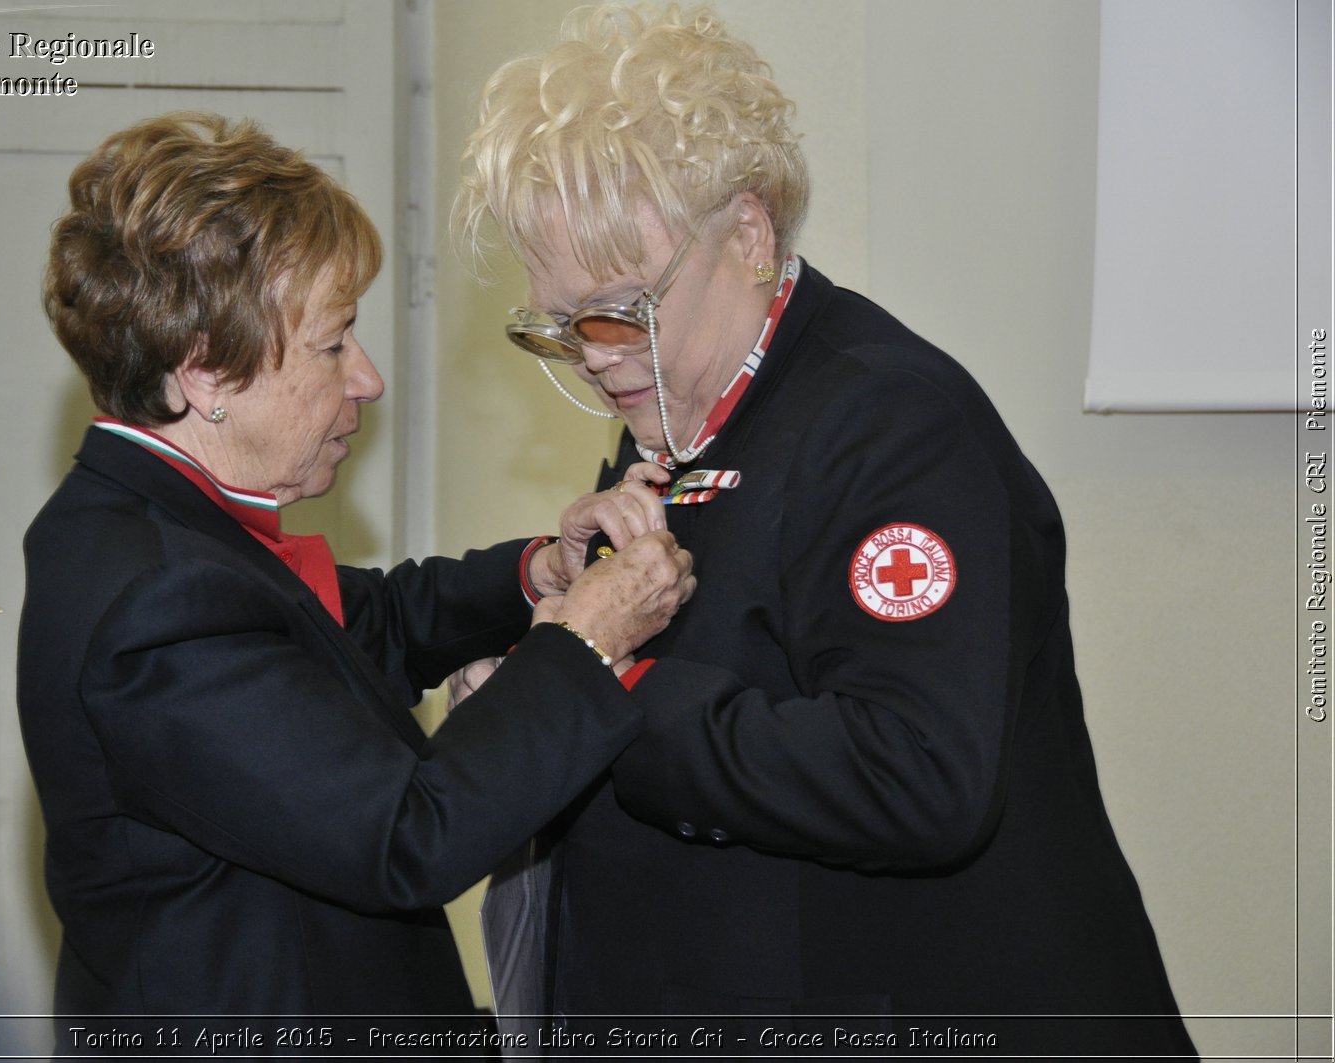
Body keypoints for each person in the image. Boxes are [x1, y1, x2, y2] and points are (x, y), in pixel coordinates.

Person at [454, 3, 1198, 1054]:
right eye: (560, 323)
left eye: (621, 310)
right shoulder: (677, 405)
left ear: (748, 237)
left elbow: (916, 774)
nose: (595, 353)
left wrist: (599, 690)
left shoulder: (897, 429)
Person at [16, 111, 695, 1031]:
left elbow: (355, 627)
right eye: (334, 343)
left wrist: (541, 569)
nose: (366, 377)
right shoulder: (158, 599)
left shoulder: (151, 519)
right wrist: (583, 642)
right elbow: (408, 835)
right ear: (208, 372)